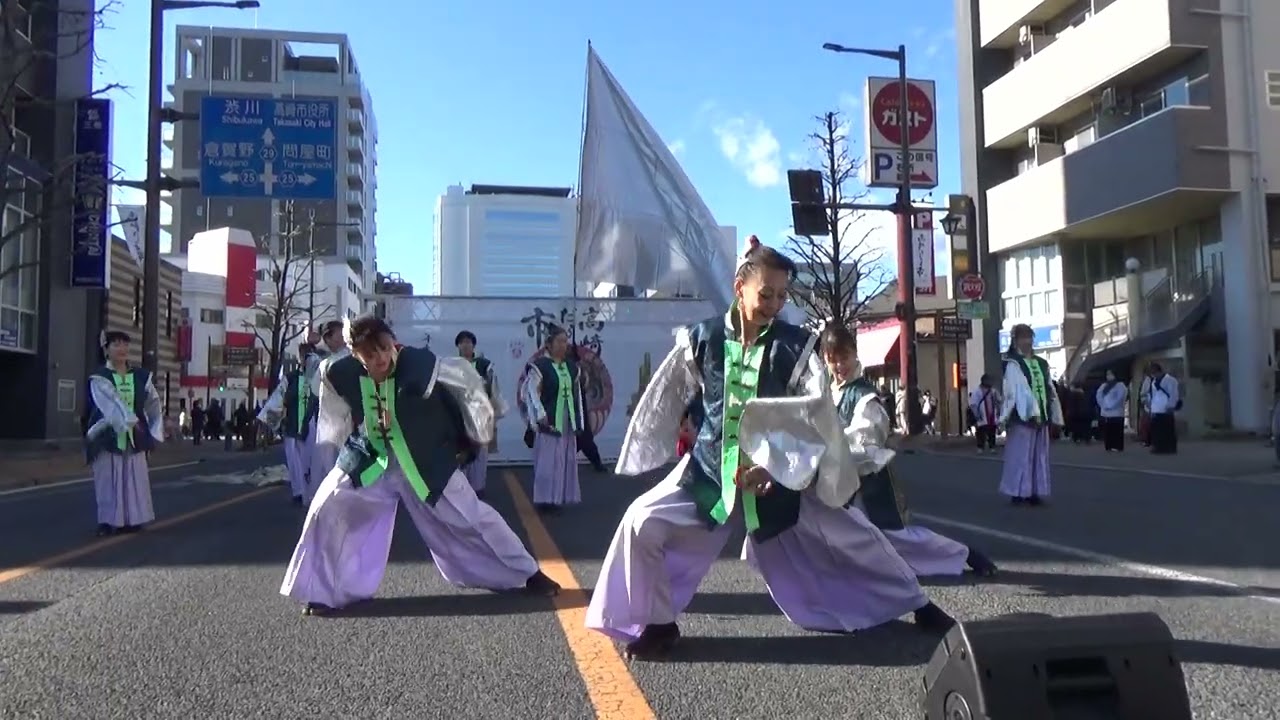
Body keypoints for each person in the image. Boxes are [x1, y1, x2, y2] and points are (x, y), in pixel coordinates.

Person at [584, 237, 953, 661]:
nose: (774, 304)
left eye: (781, 295)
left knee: (854, 538)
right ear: (740, 286)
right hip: (711, 471)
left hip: (780, 479)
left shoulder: (794, 348)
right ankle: (659, 622)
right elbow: (667, 394)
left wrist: (777, 467)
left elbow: (816, 415)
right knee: (641, 521)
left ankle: (917, 604)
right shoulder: (701, 339)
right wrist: (660, 432)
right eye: (766, 293)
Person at [280, 314, 560, 616]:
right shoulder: (337, 371)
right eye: (370, 355)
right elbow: (334, 416)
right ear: (355, 355)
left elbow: (466, 384)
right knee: (329, 505)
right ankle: (325, 591)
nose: (381, 359)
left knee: (472, 517)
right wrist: (336, 450)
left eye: (384, 348)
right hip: (372, 458)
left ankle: (528, 573)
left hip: (424, 461)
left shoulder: (421, 365)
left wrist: (477, 433)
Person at [820, 323, 997, 578]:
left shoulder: (864, 396)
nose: (839, 366)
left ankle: (964, 554)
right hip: (842, 480)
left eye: (844, 357)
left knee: (897, 539)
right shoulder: (830, 392)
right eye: (833, 360)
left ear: (854, 354)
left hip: (868, 482)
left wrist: (832, 446)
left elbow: (867, 440)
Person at [84, 331, 164, 536]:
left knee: (133, 478)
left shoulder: (140, 376)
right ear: (106, 350)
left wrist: (154, 429)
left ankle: (133, 519)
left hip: (134, 436)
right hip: (107, 434)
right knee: (107, 480)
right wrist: (130, 421)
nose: (122, 349)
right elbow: (108, 405)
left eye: (125, 345)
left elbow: (153, 403)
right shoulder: (100, 378)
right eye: (116, 345)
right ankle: (107, 521)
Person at [519, 325, 584, 514]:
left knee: (564, 459)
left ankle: (557, 498)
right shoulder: (540, 366)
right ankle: (543, 499)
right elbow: (530, 392)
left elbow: (577, 394)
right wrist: (540, 414)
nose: (564, 345)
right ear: (549, 344)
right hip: (549, 419)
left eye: (565, 341)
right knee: (547, 461)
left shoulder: (572, 368)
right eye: (560, 341)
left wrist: (578, 420)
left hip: (567, 418)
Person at [998, 323, 1064, 506]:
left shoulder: (1042, 363)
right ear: (1015, 340)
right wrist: (1004, 417)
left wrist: (1055, 413)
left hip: (1041, 417)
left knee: (1039, 456)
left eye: (1029, 337)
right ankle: (1017, 492)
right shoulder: (1012, 363)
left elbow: (1050, 389)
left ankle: (1034, 491)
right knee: (1020, 455)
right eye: (1022, 337)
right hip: (1022, 416)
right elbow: (1013, 391)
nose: (1026, 341)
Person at [258, 343, 316, 504]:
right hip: (293, 424)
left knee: (312, 460)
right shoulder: (291, 378)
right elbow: (277, 400)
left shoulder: (321, 377)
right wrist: (268, 422)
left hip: (314, 425)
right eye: (304, 356)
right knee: (295, 460)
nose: (307, 359)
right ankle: (299, 492)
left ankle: (311, 492)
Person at [456, 330, 508, 500]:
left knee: (480, 453)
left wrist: (493, 414)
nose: (465, 345)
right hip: (459, 416)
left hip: (480, 416)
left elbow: (494, 390)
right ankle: (461, 489)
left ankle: (478, 488)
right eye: (462, 342)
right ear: (457, 346)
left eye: (468, 342)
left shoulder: (485, 365)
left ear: (474, 345)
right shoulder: (452, 365)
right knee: (461, 451)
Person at [303, 320, 349, 503]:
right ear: (328, 339)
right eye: (340, 334)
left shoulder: (333, 362)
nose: (344, 337)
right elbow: (314, 393)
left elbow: (314, 393)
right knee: (333, 467)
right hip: (333, 422)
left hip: (339, 423)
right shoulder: (327, 364)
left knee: (332, 467)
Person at [1146, 363, 1180, 455]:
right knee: (1157, 430)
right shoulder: (1153, 381)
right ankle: (1158, 447)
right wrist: (1150, 406)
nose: (1153, 374)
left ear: (1158, 371)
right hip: (1156, 408)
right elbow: (1152, 394)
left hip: (1166, 408)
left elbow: (1174, 394)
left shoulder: (1170, 380)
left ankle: (1170, 448)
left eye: (1154, 371)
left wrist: (1171, 406)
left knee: (1168, 429)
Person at [1096, 370, 1128, 452]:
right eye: (1107, 374)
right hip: (1106, 412)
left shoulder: (1120, 386)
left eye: (1111, 374)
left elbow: (1120, 398)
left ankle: (1117, 446)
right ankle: (1109, 446)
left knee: (1116, 429)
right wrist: (1103, 405)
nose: (1109, 376)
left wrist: (1111, 406)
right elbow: (1099, 396)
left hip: (1117, 412)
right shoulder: (1104, 385)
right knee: (1108, 430)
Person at [969, 374, 1000, 453]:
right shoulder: (977, 391)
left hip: (991, 414)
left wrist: (998, 411)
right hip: (982, 414)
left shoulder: (993, 391)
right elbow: (973, 404)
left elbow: (999, 400)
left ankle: (992, 446)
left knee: (992, 432)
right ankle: (980, 447)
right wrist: (976, 414)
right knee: (981, 431)